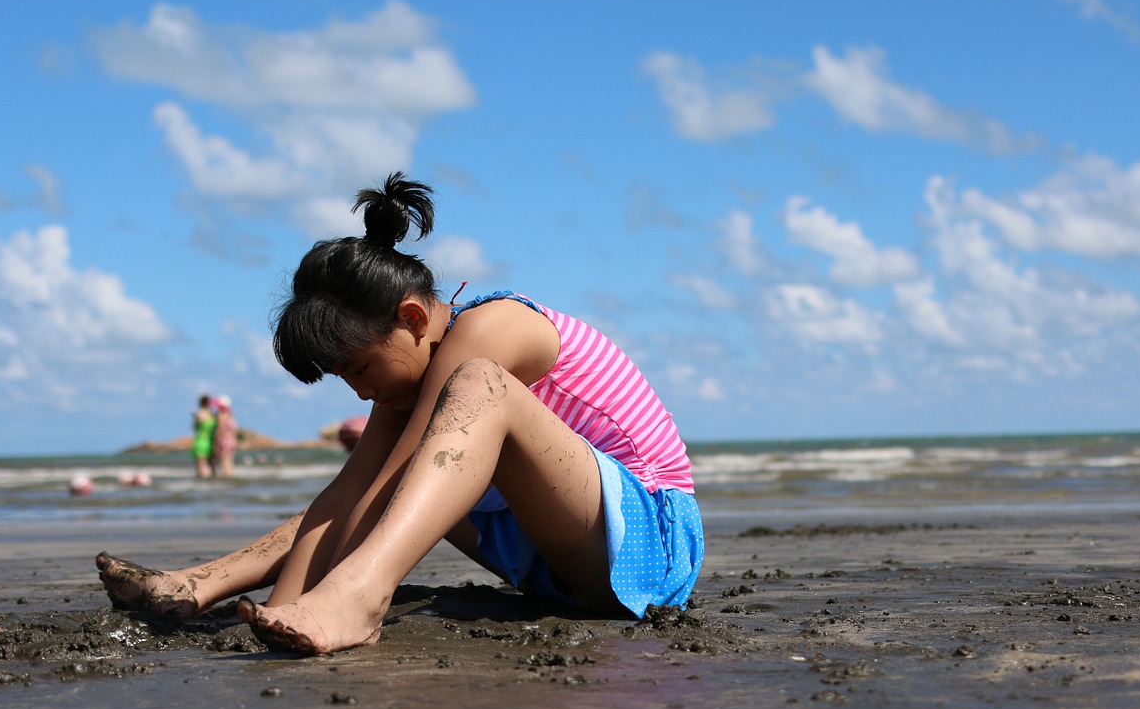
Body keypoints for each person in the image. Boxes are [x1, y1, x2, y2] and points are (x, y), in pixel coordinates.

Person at [96, 173, 703, 655]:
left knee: (476, 388)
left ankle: (357, 596)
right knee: (366, 482)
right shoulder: (413, 378)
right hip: (549, 557)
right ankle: (200, 584)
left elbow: (393, 487)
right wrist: (284, 607)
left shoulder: (492, 326)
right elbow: (346, 496)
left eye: (359, 369)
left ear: (412, 319)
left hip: (648, 549)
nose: (360, 393)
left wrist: (337, 592)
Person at [213, 395, 239, 478]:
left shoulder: (221, 416)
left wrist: (216, 441)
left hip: (223, 440)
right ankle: (230, 482)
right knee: (230, 464)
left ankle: (226, 482)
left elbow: (220, 429)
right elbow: (235, 430)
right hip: (232, 441)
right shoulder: (231, 416)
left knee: (224, 463)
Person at [191, 394, 216, 479]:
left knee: (200, 465)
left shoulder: (199, 414)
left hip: (201, 440)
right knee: (212, 465)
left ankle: (201, 485)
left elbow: (195, 427)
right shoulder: (213, 415)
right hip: (211, 441)